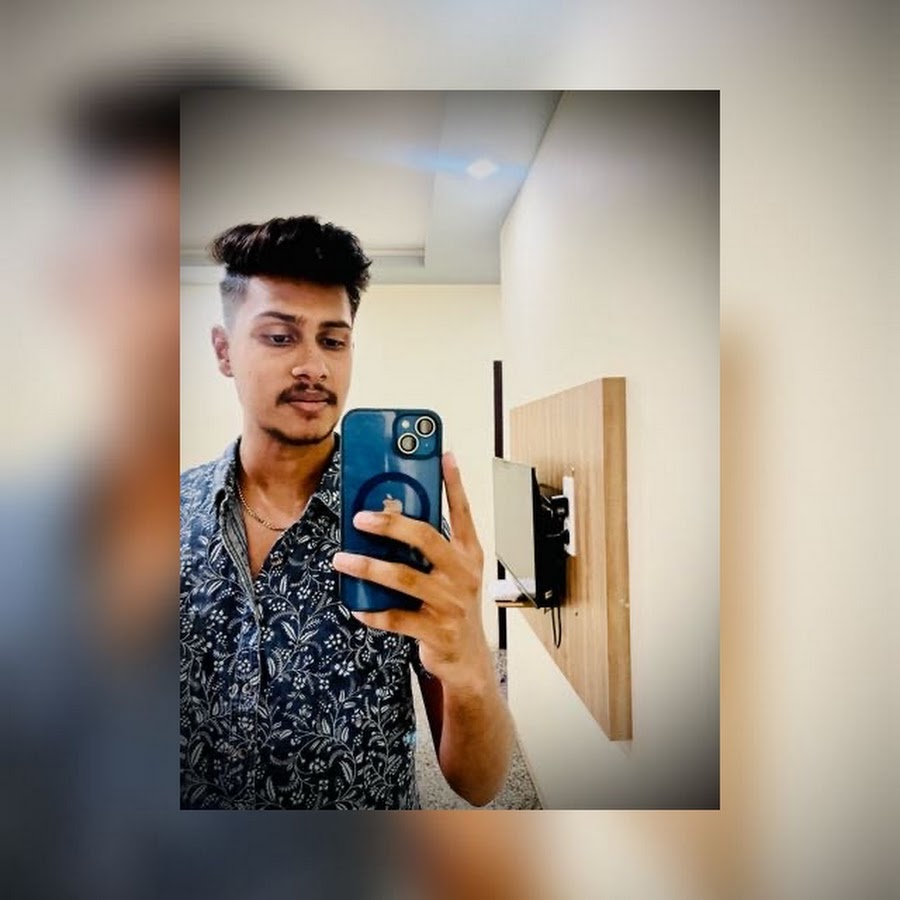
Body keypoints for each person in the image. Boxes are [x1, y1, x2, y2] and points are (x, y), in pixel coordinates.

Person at [180, 215, 514, 809]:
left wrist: (471, 669)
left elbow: (479, 783)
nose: (314, 365)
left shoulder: (407, 534)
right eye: (280, 337)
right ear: (224, 351)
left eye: (333, 341)